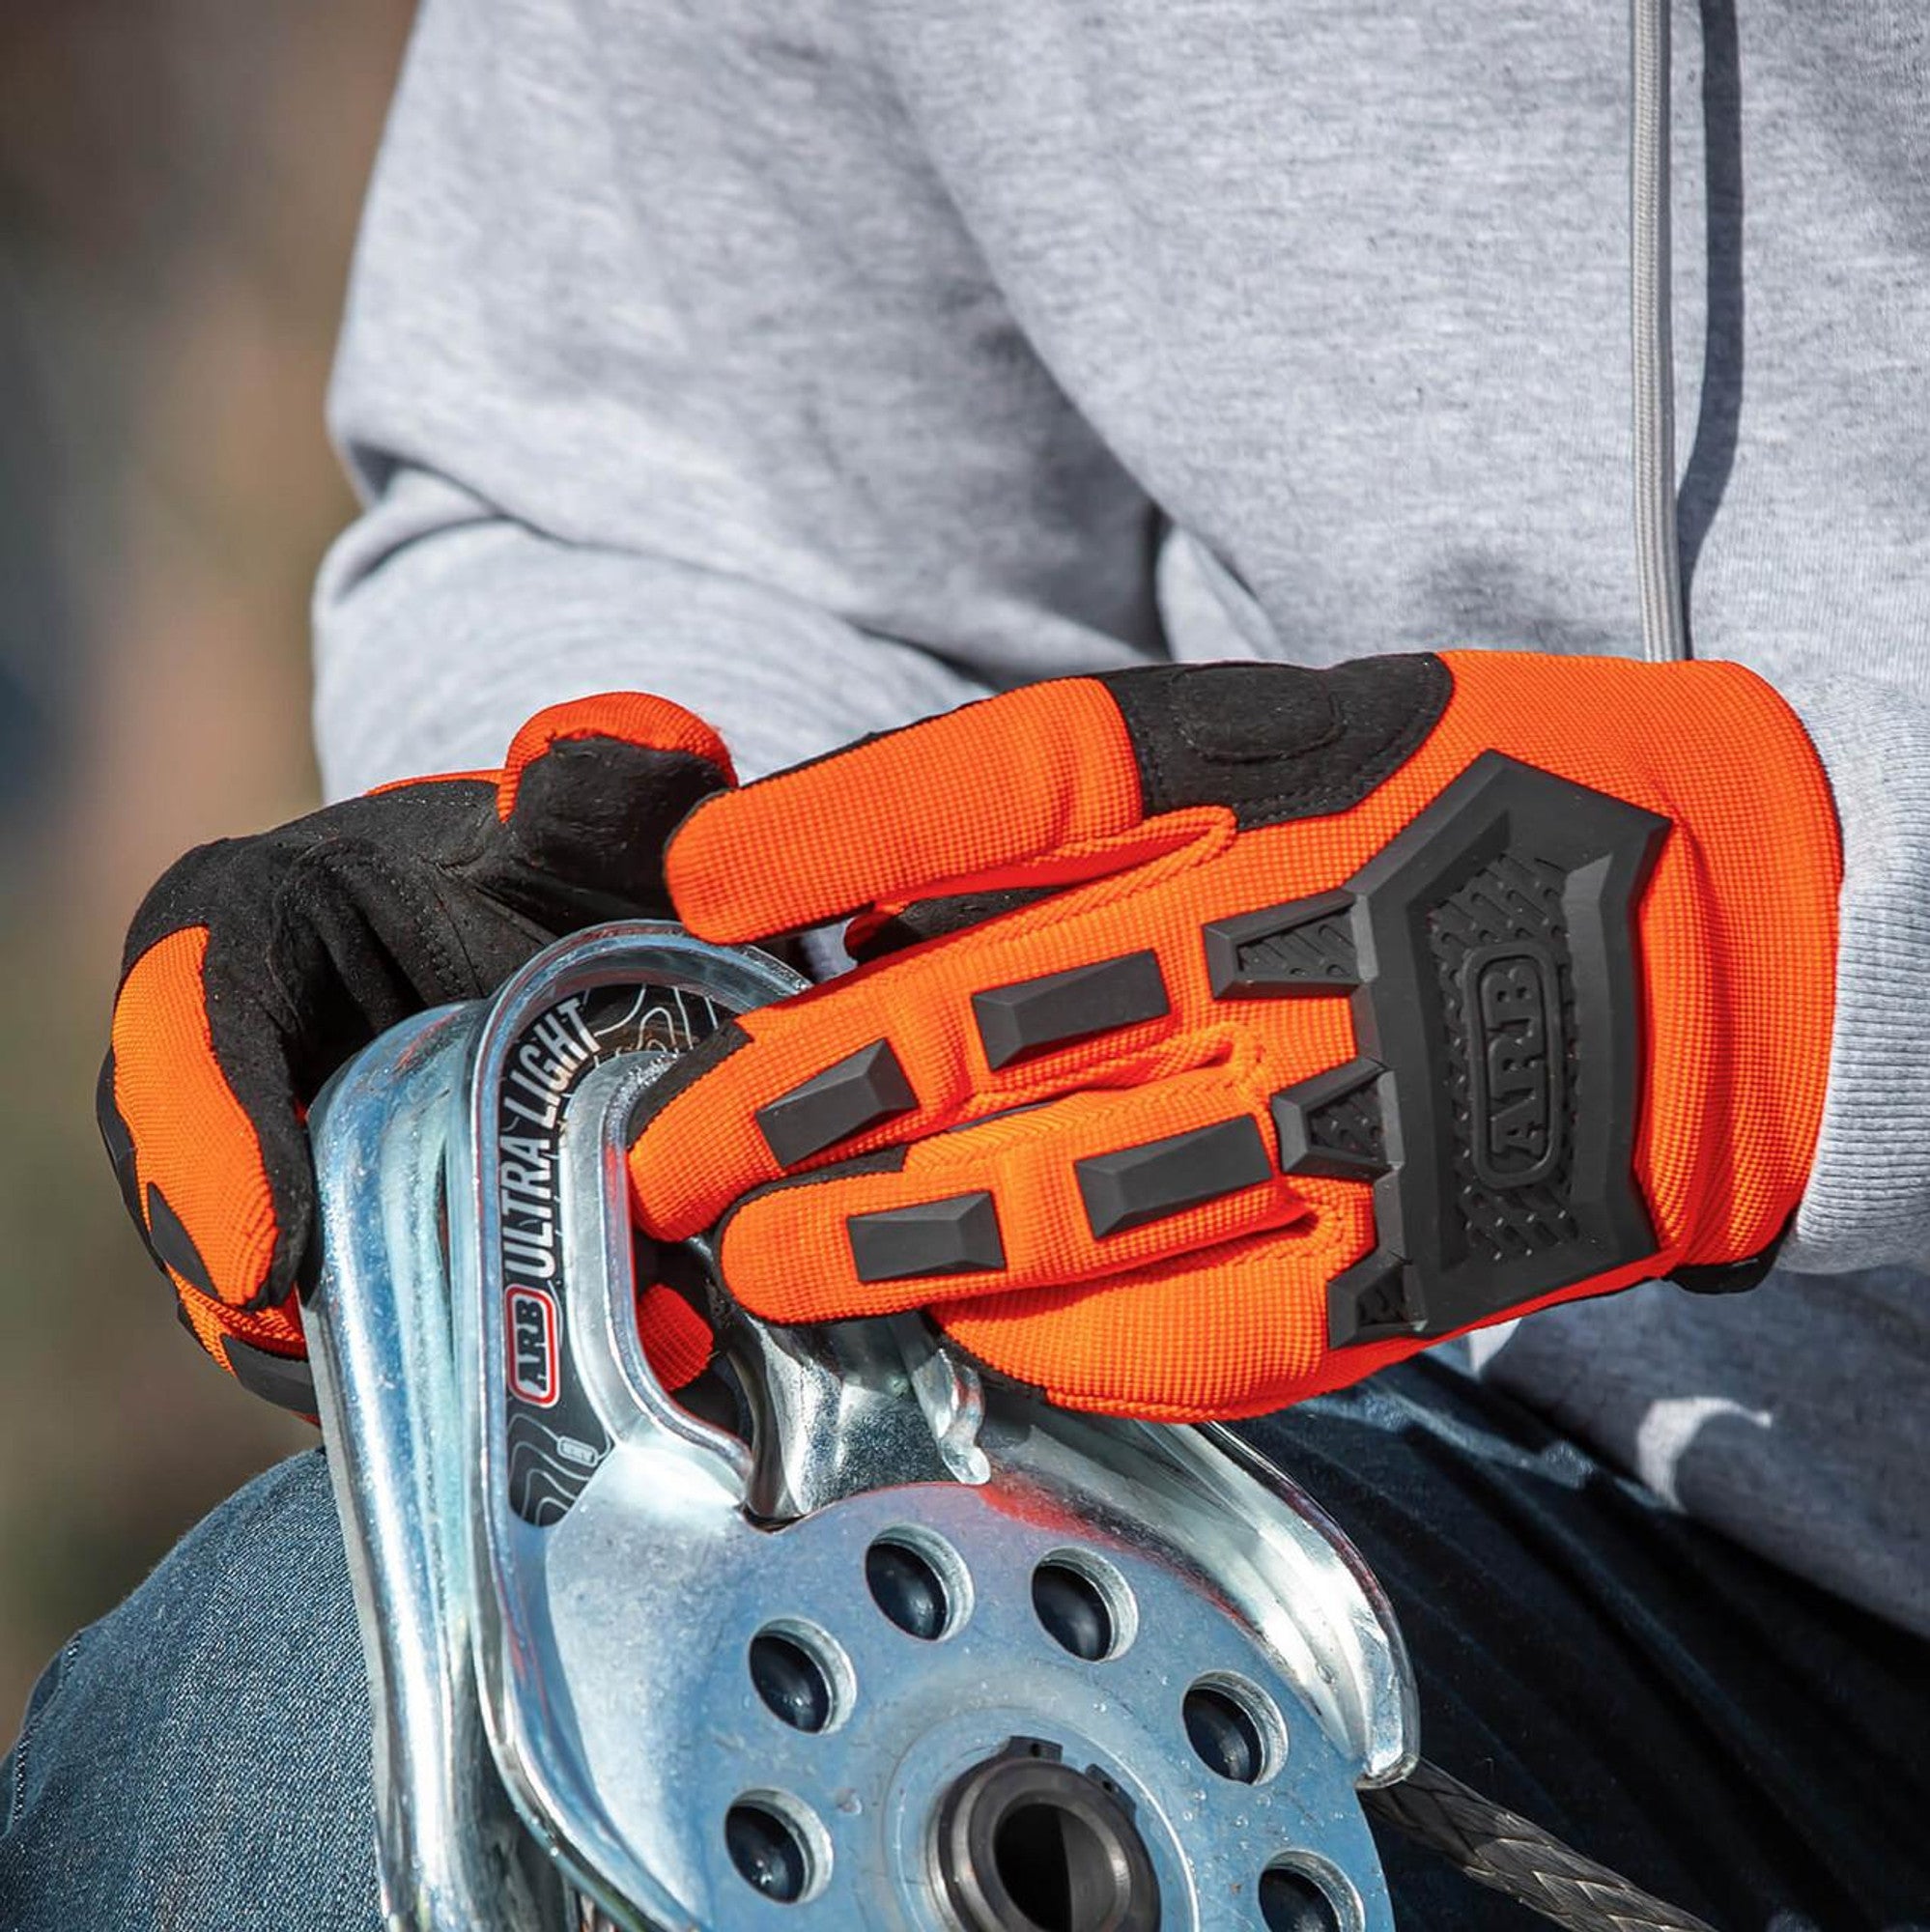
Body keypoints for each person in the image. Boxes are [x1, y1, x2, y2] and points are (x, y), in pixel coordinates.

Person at [6, 1, 1928, 1924]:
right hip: (1512, 1461)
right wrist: (643, 975)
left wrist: (1836, 959)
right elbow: (676, 490)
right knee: (269, 1758)